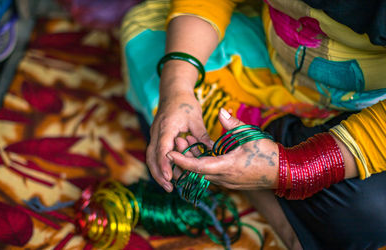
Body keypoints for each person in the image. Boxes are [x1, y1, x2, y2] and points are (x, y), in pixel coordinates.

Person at [120, 0, 386, 249]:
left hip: (361, 126)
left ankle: (261, 181)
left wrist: (298, 170)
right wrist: (177, 86)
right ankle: (266, 184)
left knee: (373, 213)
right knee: (145, 35)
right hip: (265, 65)